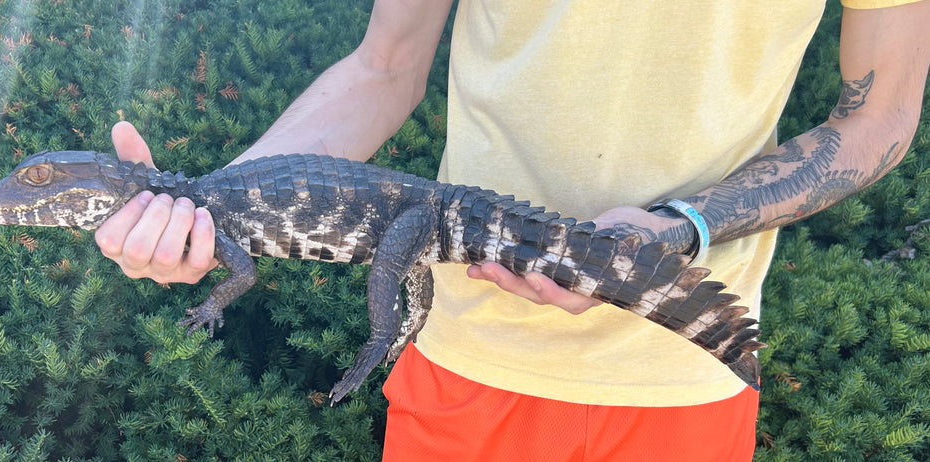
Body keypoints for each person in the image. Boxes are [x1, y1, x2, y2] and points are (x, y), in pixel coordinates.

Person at [95, 1, 930, 460]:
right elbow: (383, 65)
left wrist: (684, 227)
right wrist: (208, 211)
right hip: (467, 362)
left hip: (676, 374)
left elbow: (882, 112)